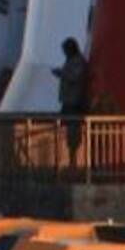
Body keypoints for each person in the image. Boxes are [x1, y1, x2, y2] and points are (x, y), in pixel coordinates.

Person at [53, 38, 91, 168]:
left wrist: (61, 73)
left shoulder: (78, 62)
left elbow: (75, 77)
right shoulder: (72, 61)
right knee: (68, 130)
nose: (64, 53)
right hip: (69, 100)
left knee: (73, 130)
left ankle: (73, 161)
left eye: (65, 50)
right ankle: (70, 160)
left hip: (74, 101)